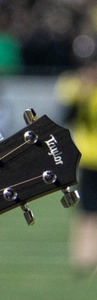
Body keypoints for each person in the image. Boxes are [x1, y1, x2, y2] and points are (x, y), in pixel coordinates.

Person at [55, 60, 97, 274]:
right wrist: (82, 95)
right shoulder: (75, 87)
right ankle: (83, 257)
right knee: (87, 209)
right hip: (89, 156)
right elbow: (65, 118)